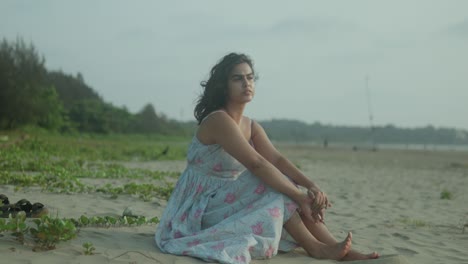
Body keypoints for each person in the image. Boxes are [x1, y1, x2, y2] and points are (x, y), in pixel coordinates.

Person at [155, 52, 379, 263]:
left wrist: (312, 186)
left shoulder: (251, 126)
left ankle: (336, 249)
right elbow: (257, 163)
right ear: (224, 86)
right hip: (199, 208)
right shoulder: (218, 120)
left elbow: (277, 160)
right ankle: (316, 247)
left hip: (224, 199)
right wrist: (300, 197)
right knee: (274, 185)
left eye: (250, 78)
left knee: (282, 182)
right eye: (238, 79)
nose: (247, 83)